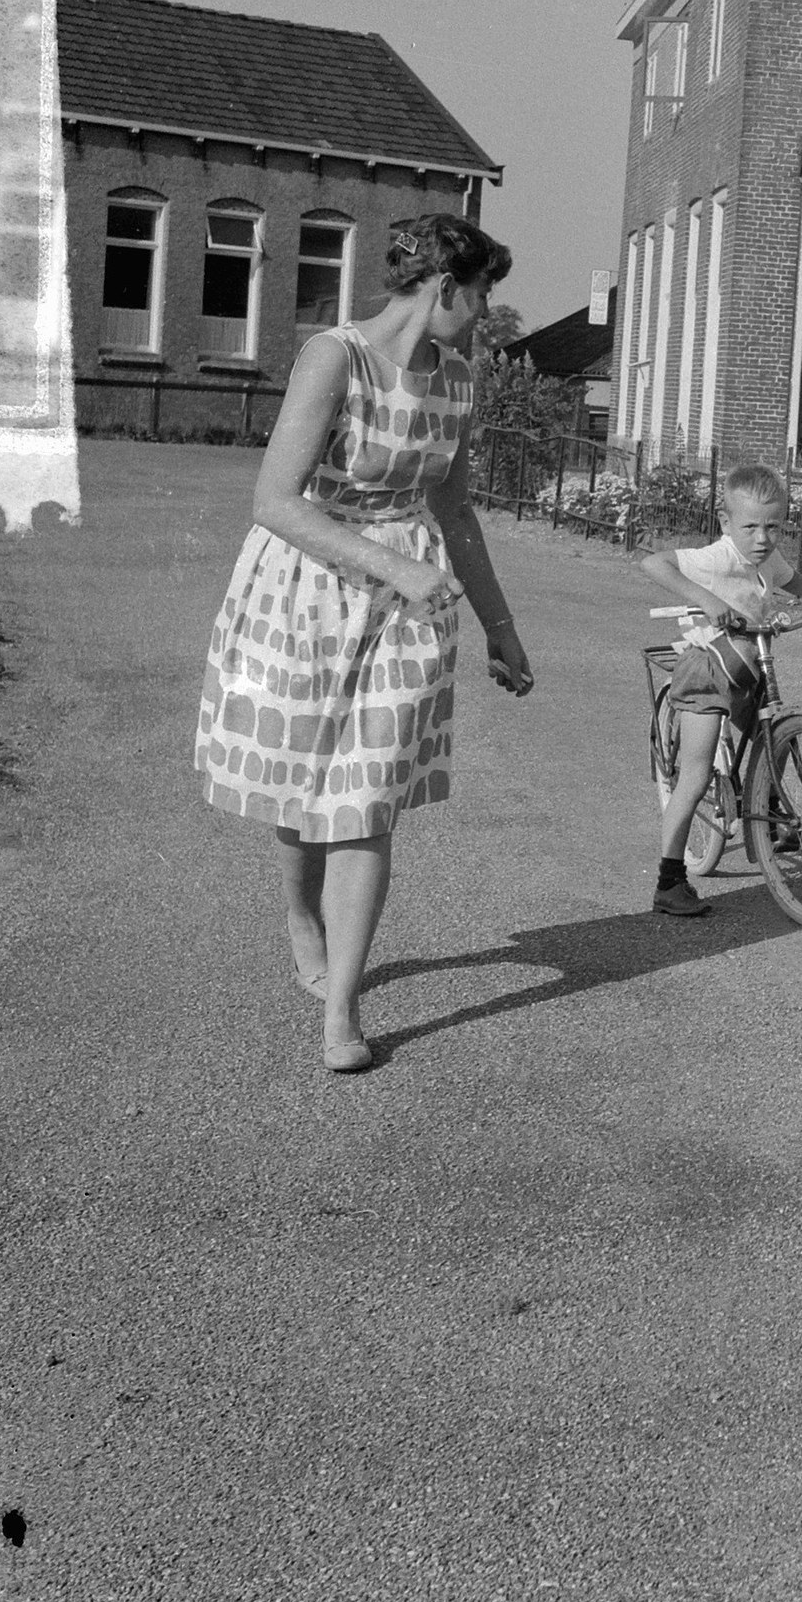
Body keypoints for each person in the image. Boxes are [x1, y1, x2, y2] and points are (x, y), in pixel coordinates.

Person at [195, 213, 534, 1075]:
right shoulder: (333, 358)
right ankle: (299, 914)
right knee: (303, 786)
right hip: (306, 588)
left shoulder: (457, 378)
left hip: (407, 609)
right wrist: (388, 562)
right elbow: (275, 499)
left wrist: (500, 627)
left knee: (367, 798)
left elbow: (454, 509)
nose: (488, 313)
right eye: (484, 293)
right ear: (446, 287)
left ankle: (341, 1007)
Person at [639, 466, 802, 917]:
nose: (762, 537)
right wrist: (708, 600)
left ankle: (764, 811)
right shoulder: (718, 556)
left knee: (778, 733)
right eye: (750, 526)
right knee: (693, 777)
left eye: (773, 526)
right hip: (709, 666)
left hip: (752, 662)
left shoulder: (767, 558)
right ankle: (669, 879)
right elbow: (653, 563)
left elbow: (794, 580)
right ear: (726, 522)